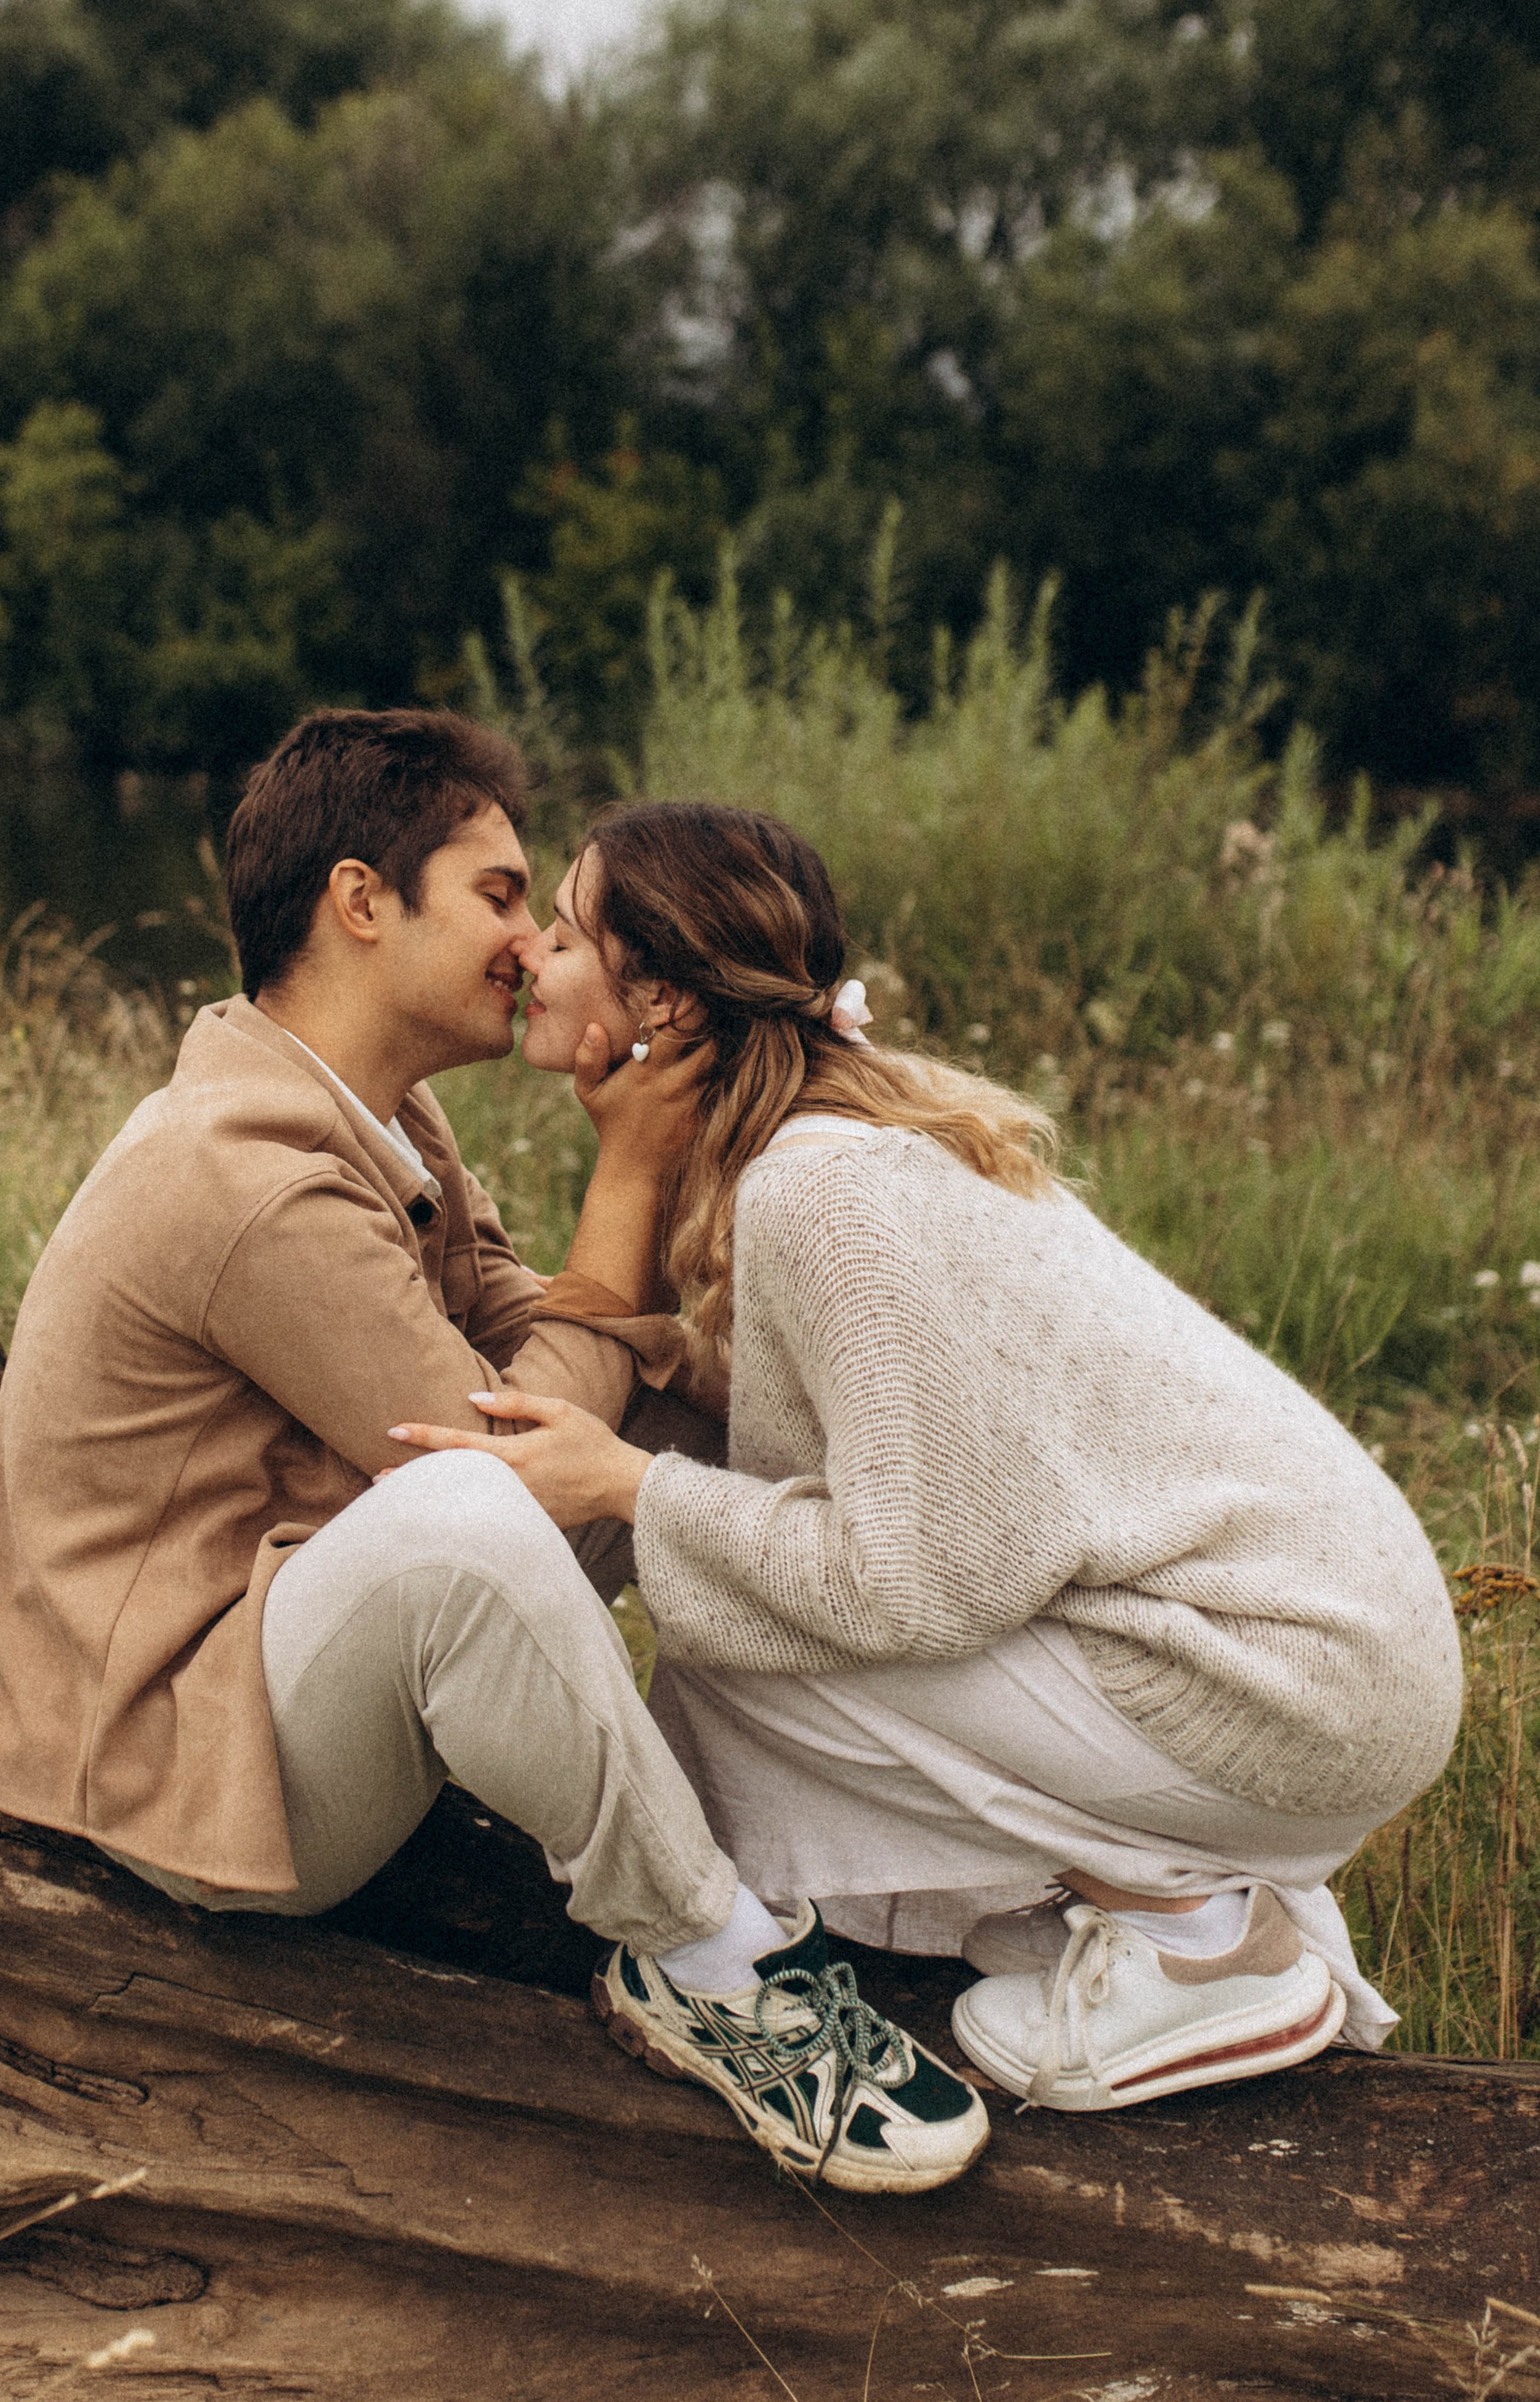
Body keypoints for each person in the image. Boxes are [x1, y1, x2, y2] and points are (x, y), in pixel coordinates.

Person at [0, 712, 988, 2194]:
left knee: (694, 1422)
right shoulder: (241, 1171)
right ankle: (707, 1962)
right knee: (469, 1507)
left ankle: (883, 1851)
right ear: (362, 901)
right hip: (182, 1756)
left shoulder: (383, 1119)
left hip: (300, 1642)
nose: (531, 943)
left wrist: (778, 1370)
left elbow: (564, 1334)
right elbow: (495, 1451)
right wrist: (633, 1171)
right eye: (500, 894)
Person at [389, 800, 1463, 2114]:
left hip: (1296, 1684)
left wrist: (624, 1483)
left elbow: (909, 1574)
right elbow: (929, 1433)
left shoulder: (823, 1194)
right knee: (737, 1602)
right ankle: (1102, 1893)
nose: (533, 959)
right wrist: (674, 1352)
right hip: (1320, 1658)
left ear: (659, 998)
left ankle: (1197, 1939)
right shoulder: (831, 1146)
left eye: (562, 931)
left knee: (742, 1633)